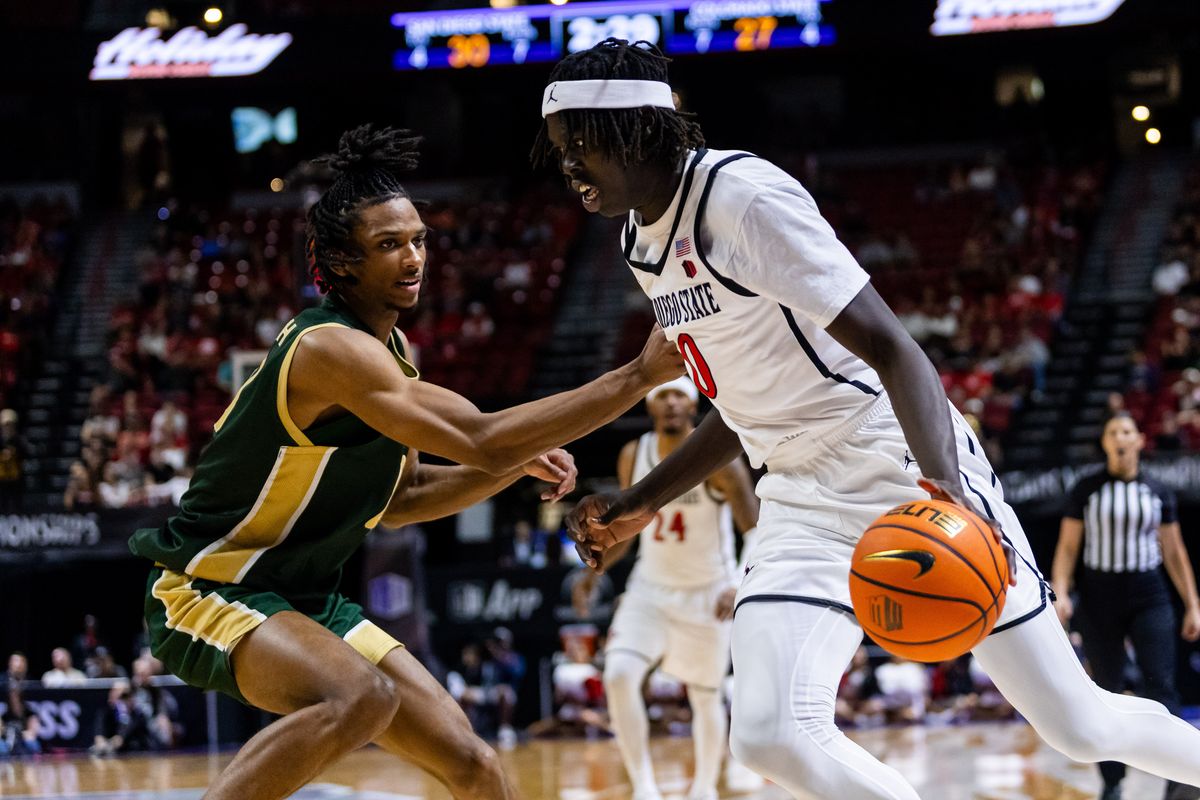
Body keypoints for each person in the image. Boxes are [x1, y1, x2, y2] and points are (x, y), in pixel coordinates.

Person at [540, 39, 1200, 800]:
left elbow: (896, 348)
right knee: (770, 731)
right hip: (794, 488)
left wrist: (943, 484)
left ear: (632, 132)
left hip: (890, 455)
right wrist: (638, 505)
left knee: (1078, 724)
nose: (568, 167)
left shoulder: (740, 196)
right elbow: (740, 403)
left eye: (578, 145)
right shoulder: (637, 240)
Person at [128, 124, 683, 800]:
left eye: (418, 239)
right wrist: (635, 376)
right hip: (208, 586)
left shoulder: (386, 359)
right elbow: (481, 438)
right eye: (388, 245)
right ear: (338, 261)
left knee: (473, 765)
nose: (413, 258)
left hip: (303, 601)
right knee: (359, 697)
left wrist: (509, 467)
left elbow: (405, 496)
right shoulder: (329, 349)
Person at [573, 377, 759, 800]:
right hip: (650, 590)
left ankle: (704, 788)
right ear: (652, 406)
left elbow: (754, 528)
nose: (671, 403)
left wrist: (739, 583)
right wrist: (590, 575)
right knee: (619, 675)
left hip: (708, 593)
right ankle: (643, 787)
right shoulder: (633, 455)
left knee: (705, 695)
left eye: (680, 395)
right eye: (663, 396)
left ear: (693, 405)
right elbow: (624, 532)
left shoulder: (719, 462)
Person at [1052, 412, 1200, 800]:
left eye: (1127, 431)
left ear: (1139, 440)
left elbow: (1175, 552)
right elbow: (1068, 548)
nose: (1120, 437)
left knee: (1162, 686)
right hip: (1099, 597)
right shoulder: (1086, 489)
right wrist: (1062, 592)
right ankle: (1113, 783)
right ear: (1105, 443)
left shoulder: (1158, 490)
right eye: (1113, 432)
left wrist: (1193, 604)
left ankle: (1178, 783)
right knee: (1106, 689)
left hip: (1149, 595)